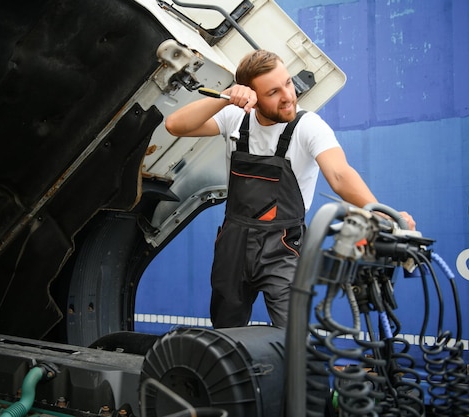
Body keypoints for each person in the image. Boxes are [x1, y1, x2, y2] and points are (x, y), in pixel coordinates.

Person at [164, 49, 415, 329]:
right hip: (233, 243)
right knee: (225, 332)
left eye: (288, 83)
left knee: (292, 335)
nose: (288, 95)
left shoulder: (308, 126)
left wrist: (382, 214)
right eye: (273, 92)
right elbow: (175, 125)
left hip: (283, 246)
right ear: (253, 96)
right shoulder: (235, 118)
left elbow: (340, 174)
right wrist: (225, 97)